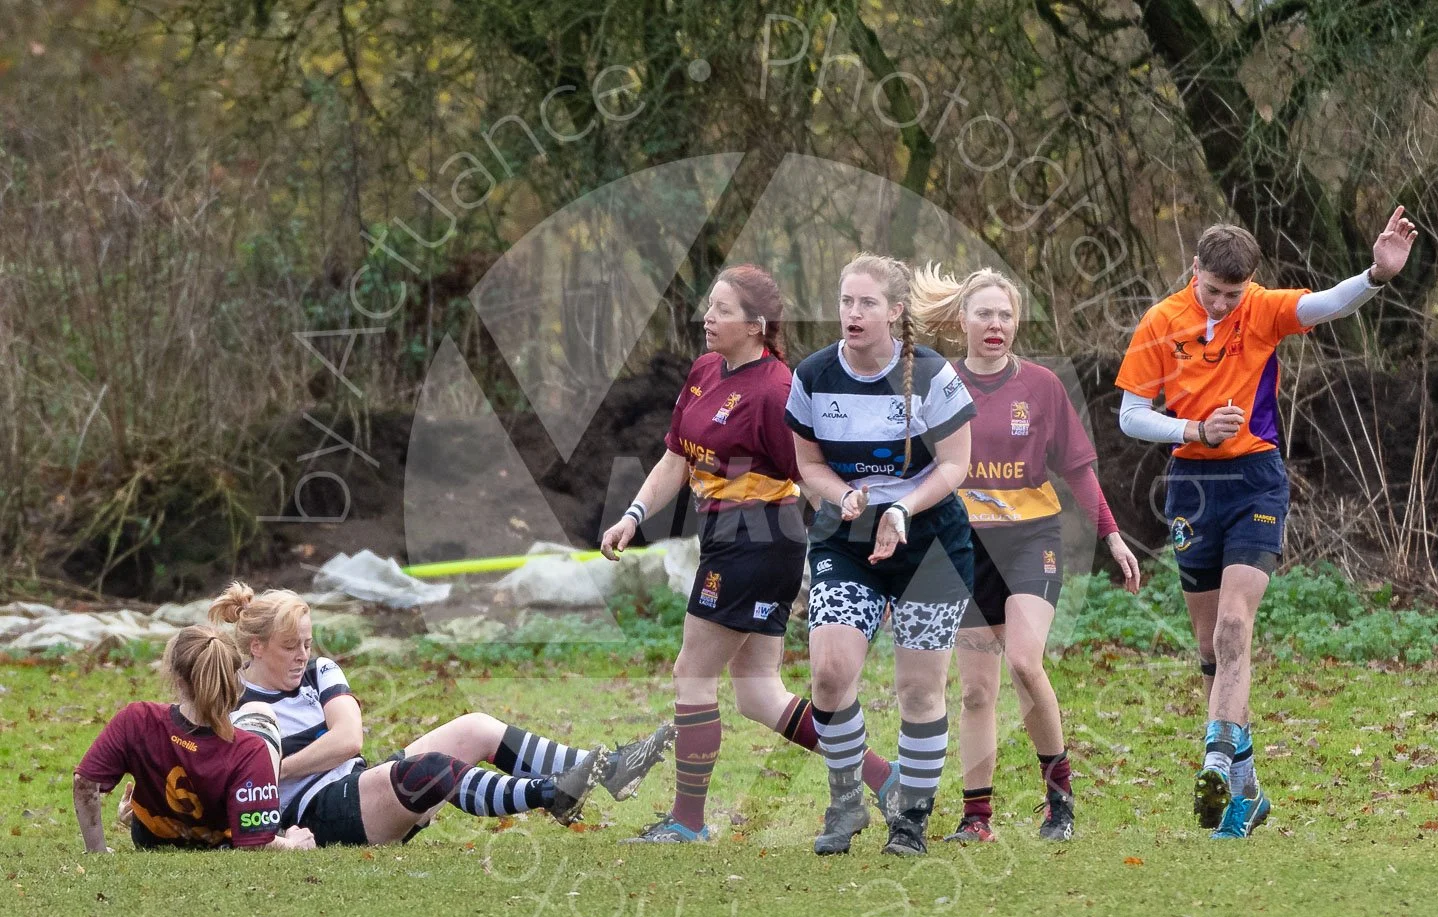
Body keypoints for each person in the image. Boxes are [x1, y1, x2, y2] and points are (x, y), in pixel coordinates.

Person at [1116, 207, 1418, 838]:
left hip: (1256, 480)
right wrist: (1193, 429)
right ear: (1195, 270)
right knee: (1210, 648)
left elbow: (1326, 305)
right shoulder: (1161, 321)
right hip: (1192, 486)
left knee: (1234, 627)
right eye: (1213, 291)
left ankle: (1217, 759)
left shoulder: (1261, 310)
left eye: (1234, 293)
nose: (1223, 304)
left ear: (1249, 284)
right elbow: (1131, 414)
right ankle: (1246, 792)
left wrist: (1376, 275)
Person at [601, 264, 899, 843]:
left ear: (757, 325)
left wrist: (864, 549)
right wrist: (633, 515)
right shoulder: (704, 370)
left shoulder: (774, 391)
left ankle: (687, 821)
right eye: (709, 307)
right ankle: (886, 779)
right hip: (729, 537)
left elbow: (812, 479)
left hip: (757, 541)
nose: (707, 318)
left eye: (723, 310)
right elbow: (676, 457)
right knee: (759, 694)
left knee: (692, 673)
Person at [910, 264, 1141, 844]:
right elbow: (914, 476)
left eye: (1006, 315)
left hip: (1031, 541)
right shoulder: (936, 387)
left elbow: (1079, 470)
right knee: (976, 692)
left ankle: (1059, 801)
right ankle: (977, 818)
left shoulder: (1041, 386)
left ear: (1016, 322)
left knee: (1023, 661)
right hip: (963, 546)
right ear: (961, 320)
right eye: (984, 314)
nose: (996, 324)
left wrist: (1111, 535)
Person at [208, 583, 674, 847]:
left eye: (307, 643)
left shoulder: (319, 671)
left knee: (476, 727)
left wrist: (271, 770)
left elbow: (349, 739)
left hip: (358, 782)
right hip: (316, 815)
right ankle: (550, 794)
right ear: (257, 647)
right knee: (430, 771)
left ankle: (610, 771)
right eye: (290, 646)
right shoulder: (236, 705)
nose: (302, 655)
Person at [785, 252, 977, 856]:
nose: (853, 312)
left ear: (894, 312)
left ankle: (911, 819)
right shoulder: (813, 375)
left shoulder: (934, 374)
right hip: (846, 538)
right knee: (829, 675)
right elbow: (807, 464)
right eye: (846, 301)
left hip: (930, 540)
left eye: (867, 303)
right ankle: (846, 801)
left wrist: (901, 509)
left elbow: (956, 464)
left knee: (919, 689)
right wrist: (842, 497)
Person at [72, 624, 316, 852]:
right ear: (233, 681)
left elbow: (84, 781)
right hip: (221, 843)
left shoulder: (138, 719)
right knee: (260, 714)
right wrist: (293, 844)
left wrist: (97, 851)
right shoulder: (249, 750)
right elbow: (256, 841)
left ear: (178, 680)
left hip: (151, 837)